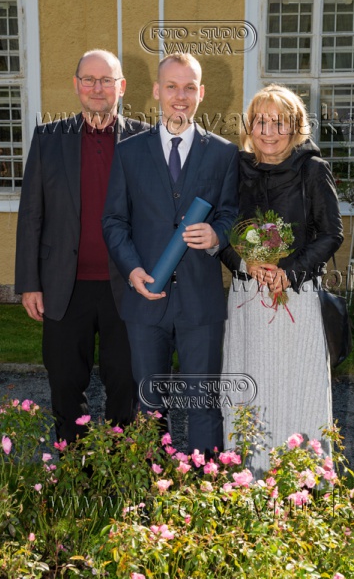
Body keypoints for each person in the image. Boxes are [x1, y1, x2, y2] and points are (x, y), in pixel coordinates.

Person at [102, 53, 239, 456]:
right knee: (150, 407)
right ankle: (154, 485)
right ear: (157, 91)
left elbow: (232, 214)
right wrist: (132, 270)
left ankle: (205, 484)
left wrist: (216, 235)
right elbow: (114, 221)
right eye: (172, 86)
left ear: (202, 92)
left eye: (189, 87)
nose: (181, 96)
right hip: (146, 299)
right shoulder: (129, 152)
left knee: (204, 405)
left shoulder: (223, 153)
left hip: (201, 302)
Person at [15, 49, 148, 444]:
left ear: (122, 87)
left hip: (128, 286)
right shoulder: (48, 138)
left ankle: (120, 469)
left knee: (126, 385)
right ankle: (75, 469)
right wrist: (29, 283)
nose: (97, 88)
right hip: (63, 286)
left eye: (106, 80)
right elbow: (31, 214)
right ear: (76, 85)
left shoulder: (146, 139)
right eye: (89, 79)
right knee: (65, 387)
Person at [220, 84, 344, 477]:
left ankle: (302, 480)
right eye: (261, 121)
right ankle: (249, 477)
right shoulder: (234, 169)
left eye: (279, 122)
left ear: (295, 127)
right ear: (249, 126)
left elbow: (331, 233)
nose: (269, 131)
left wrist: (290, 274)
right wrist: (244, 264)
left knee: (299, 388)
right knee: (250, 387)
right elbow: (220, 232)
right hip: (247, 300)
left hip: (297, 300)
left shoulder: (312, 169)